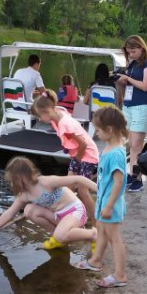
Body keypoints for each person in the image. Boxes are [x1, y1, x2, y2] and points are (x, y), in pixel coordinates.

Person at [0, 156, 97, 250]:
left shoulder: (45, 182)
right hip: (58, 216)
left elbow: (78, 178)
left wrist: (99, 190)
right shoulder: (24, 195)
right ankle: (60, 237)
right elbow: (9, 213)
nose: (11, 184)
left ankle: (92, 234)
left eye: (13, 180)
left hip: (74, 211)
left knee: (60, 235)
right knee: (29, 210)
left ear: (21, 177)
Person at [74, 106, 129, 289]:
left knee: (114, 237)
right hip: (103, 200)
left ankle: (120, 275)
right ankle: (96, 260)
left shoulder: (116, 153)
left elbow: (119, 181)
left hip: (110, 203)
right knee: (101, 230)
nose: (96, 133)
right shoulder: (109, 148)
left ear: (109, 130)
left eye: (98, 130)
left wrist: (109, 206)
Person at [31, 90, 99, 222]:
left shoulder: (65, 123)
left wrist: (78, 159)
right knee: (68, 186)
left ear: (48, 111)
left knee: (82, 191)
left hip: (87, 155)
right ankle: (67, 215)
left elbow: (83, 144)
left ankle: (97, 222)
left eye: (40, 115)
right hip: (78, 153)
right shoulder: (57, 114)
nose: (40, 119)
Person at [117, 35, 147, 193]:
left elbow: (145, 86)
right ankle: (131, 175)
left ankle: (138, 178)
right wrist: (122, 82)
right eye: (128, 52)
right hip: (128, 105)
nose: (131, 55)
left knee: (137, 145)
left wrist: (128, 78)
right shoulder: (132, 63)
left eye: (133, 51)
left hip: (142, 106)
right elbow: (130, 86)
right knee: (129, 143)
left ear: (141, 48)